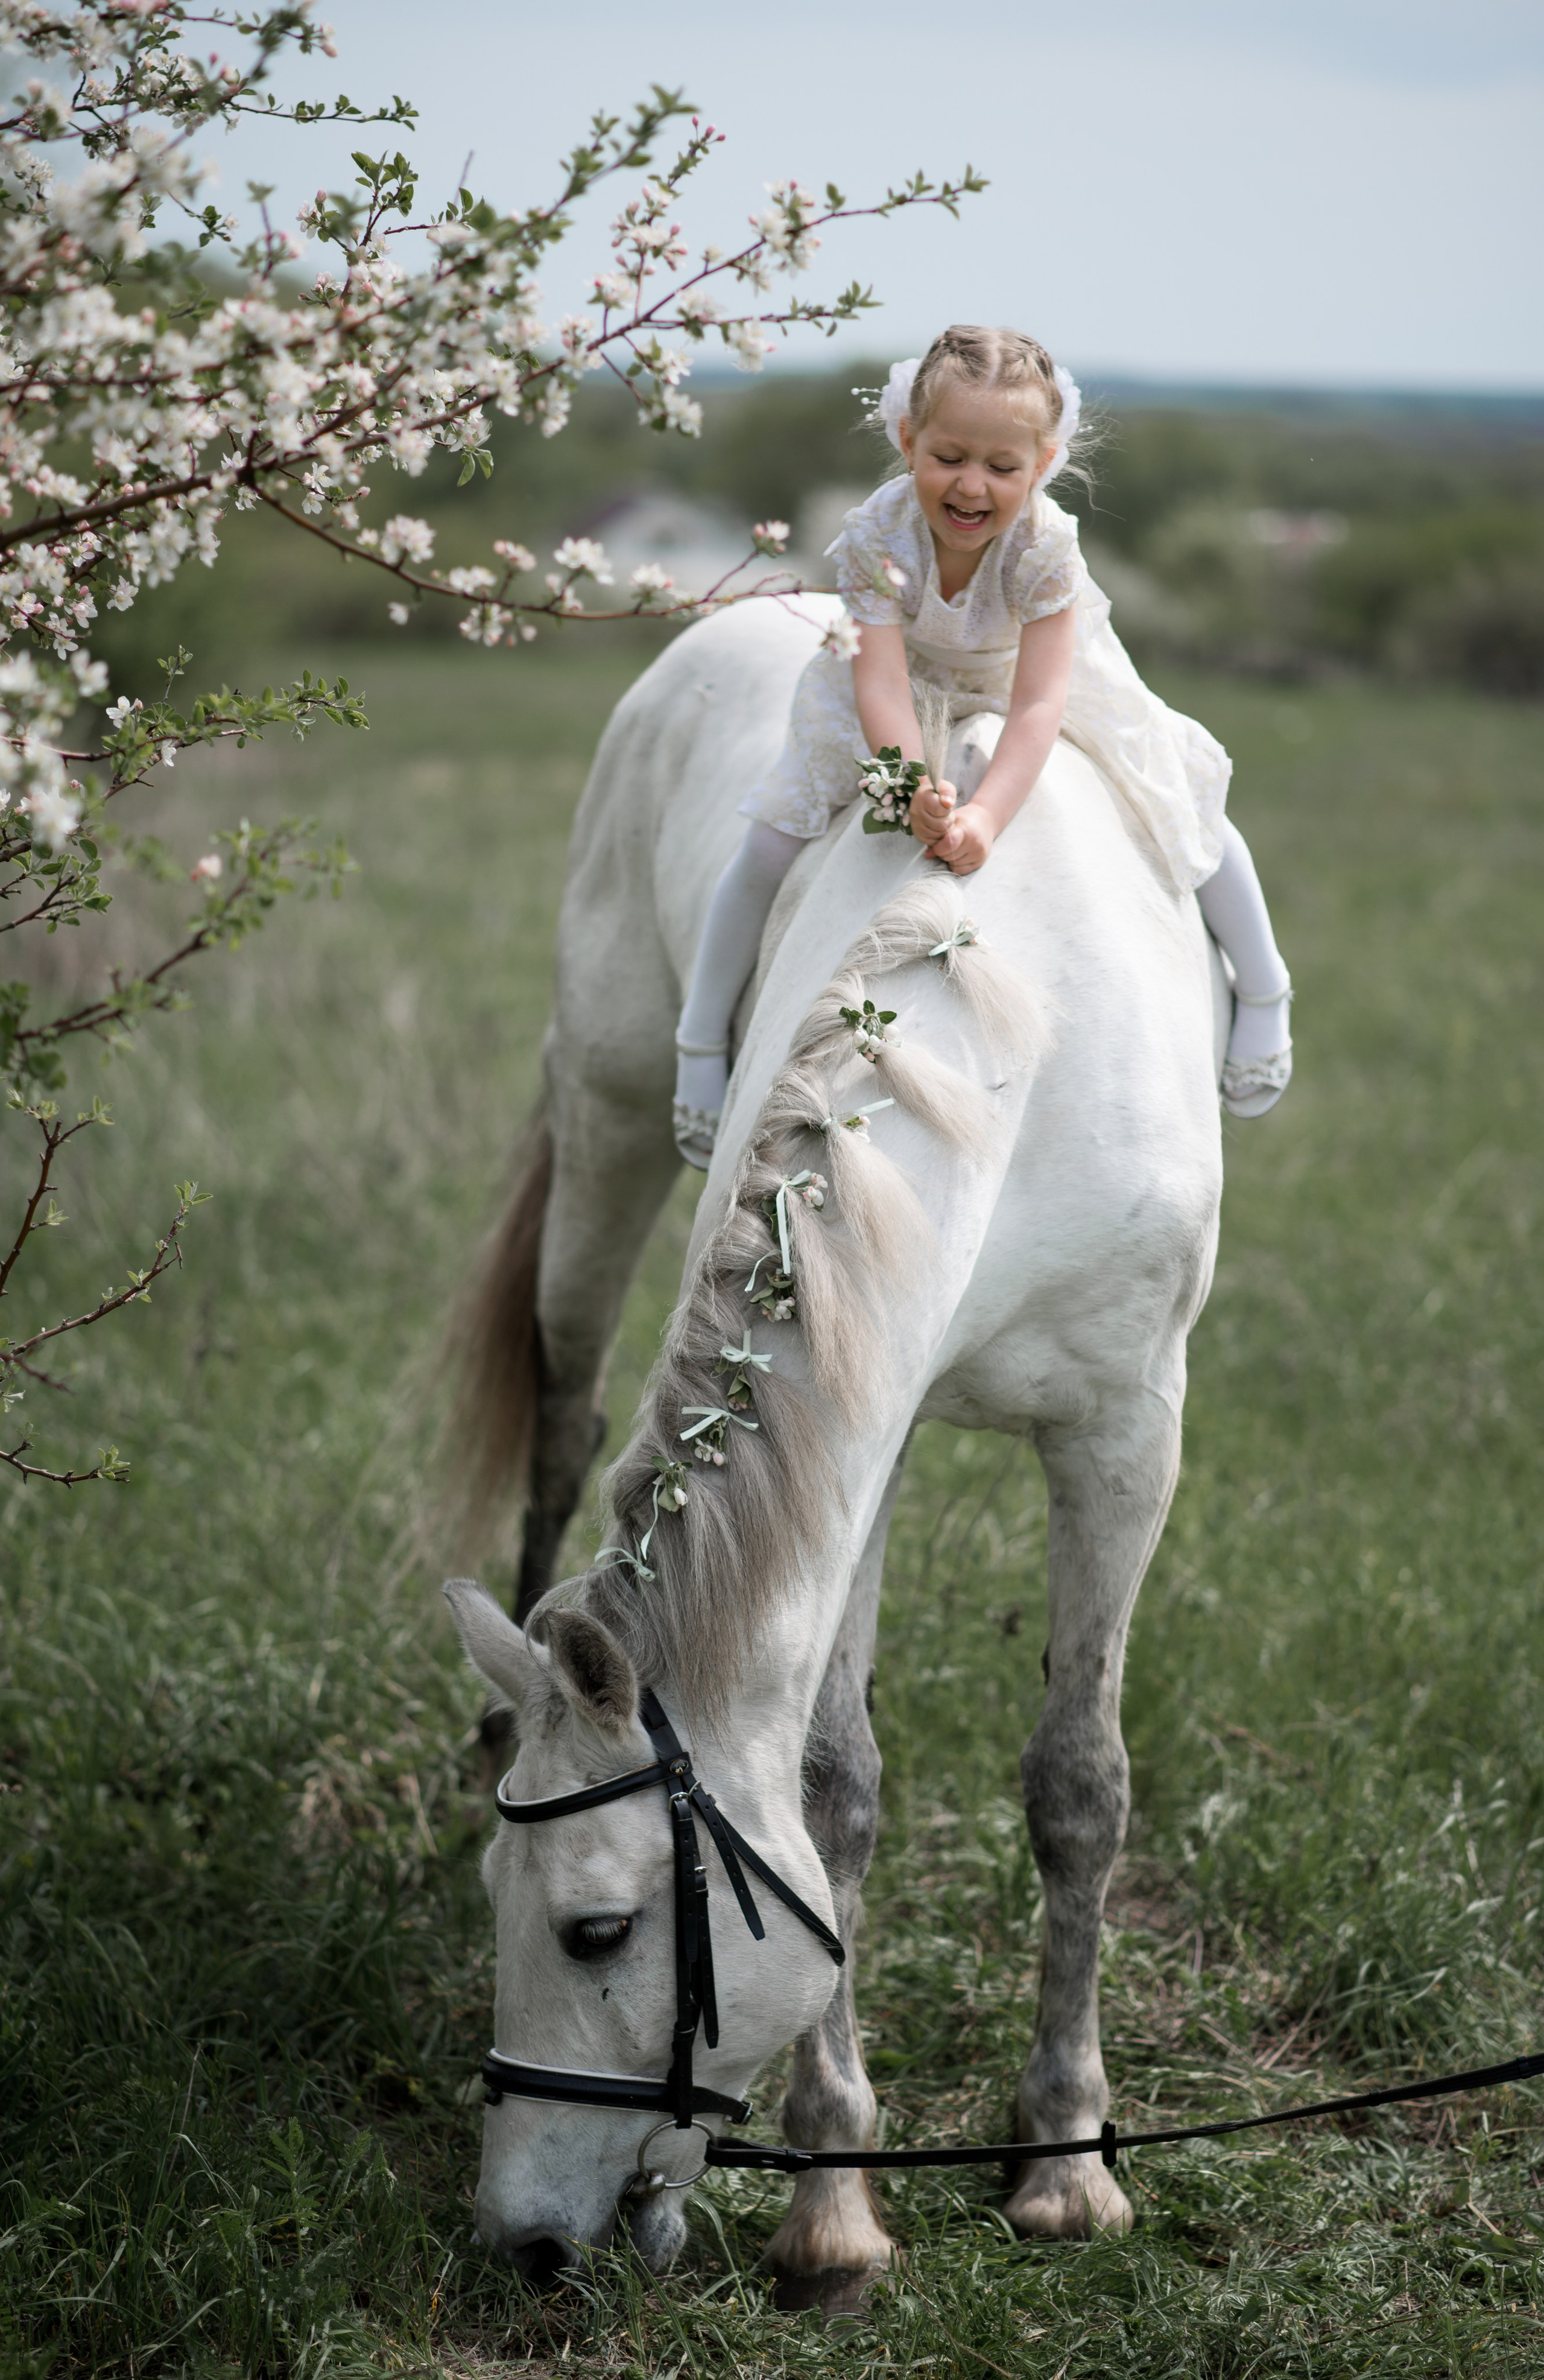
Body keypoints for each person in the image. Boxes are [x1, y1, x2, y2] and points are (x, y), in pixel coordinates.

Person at [672, 325, 1293, 1166]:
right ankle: (702, 1043)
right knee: (770, 840)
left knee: (1181, 800)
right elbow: (883, 683)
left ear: (1041, 465)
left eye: (1002, 467)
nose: (972, 485)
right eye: (949, 456)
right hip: (901, 680)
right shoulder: (876, 537)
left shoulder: (1044, 545)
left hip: (1022, 676)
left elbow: (1039, 704)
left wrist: (988, 816)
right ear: (908, 442)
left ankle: (1263, 987)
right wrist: (913, 787)